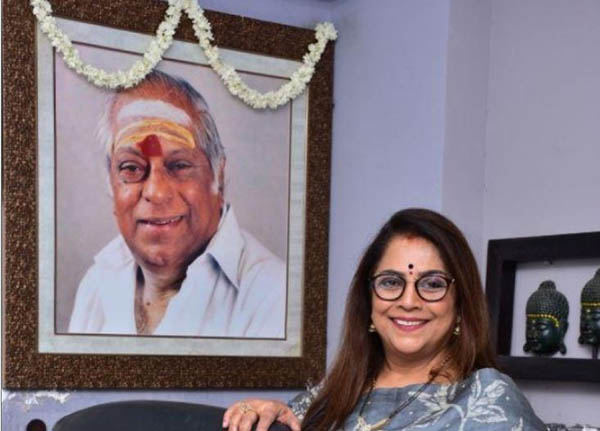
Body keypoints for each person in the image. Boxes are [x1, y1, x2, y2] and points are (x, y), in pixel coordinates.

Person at [223, 208, 546, 430]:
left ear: (461, 303)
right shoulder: (332, 395)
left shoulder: (489, 400)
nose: (408, 301)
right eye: (391, 282)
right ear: (369, 300)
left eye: (432, 284)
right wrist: (270, 415)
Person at [68, 70, 286, 338]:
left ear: (218, 177)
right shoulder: (96, 284)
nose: (156, 192)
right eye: (131, 168)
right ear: (110, 183)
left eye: (179, 165)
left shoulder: (272, 297)